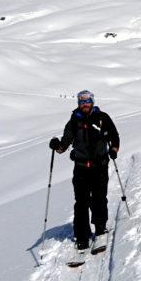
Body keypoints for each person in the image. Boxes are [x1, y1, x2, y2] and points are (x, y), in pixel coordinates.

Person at [49, 90, 119, 251]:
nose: (84, 105)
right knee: (81, 202)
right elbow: (64, 145)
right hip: (80, 168)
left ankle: (100, 229)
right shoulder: (74, 120)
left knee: (99, 198)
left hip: (100, 165)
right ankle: (82, 237)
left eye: (87, 101)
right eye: (81, 102)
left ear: (92, 101)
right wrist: (56, 145)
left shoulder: (103, 117)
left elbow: (114, 136)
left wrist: (114, 149)